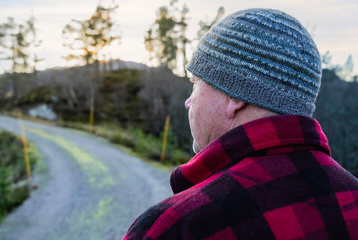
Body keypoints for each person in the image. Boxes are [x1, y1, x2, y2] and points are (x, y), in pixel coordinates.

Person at [124, 8, 358, 240]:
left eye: (195, 83)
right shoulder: (352, 198)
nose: (188, 102)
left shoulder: (175, 227)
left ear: (235, 96)